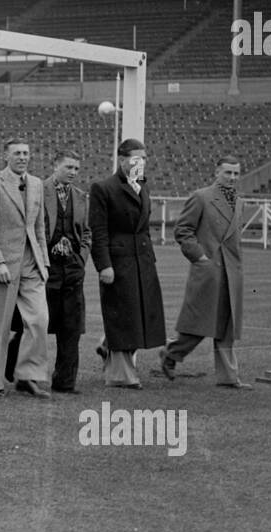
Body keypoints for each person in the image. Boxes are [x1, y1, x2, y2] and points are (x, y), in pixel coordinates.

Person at [160, 156, 253, 389]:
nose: (232, 178)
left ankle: (229, 377)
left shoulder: (239, 201)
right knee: (199, 325)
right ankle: (171, 354)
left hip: (232, 273)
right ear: (216, 172)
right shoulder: (201, 197)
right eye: (228, 173)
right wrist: (200, 257)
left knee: (226, 327)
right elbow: (182, 230)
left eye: (236, 173)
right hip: (209, 271)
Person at [6, 149, 92, 394]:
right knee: (34, 324)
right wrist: (49, 248)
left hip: (73, 270)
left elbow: (87, 233)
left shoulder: (81, 196)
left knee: (71, 329)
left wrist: (80, 257)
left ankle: (65, 383)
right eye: (69, 167)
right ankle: (14, 367)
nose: (73, 172)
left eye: (76, 168)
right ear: (55, 166)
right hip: (44, 269)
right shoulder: (36, 190)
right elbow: (29, 227)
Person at [88, 138, 166, 389]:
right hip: (118, 263)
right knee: (122, 315)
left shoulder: (142, 185)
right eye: (135, 158)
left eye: (143, 158)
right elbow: (98, 231)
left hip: (143, 261)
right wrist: (104, 266)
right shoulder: (103, 188)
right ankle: (120, 375)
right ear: (122, 160)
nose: (140, 162)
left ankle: (107, 345)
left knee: (139, 316)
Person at [0, 139, 50, 397]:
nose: (22, 157)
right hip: (1, 268)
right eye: (17, 153)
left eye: (26, 153)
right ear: (5, 156)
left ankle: (27, 376)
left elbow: (39, 227)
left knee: (40, 320)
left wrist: (44, 261)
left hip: (32, 265)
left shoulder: (37, 184)